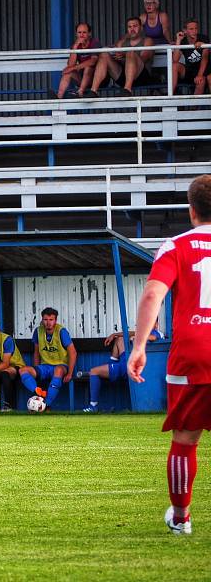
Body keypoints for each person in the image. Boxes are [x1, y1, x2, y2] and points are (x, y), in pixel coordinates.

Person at [128, 174, 211, 536]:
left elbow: (152, 296)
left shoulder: (176, 246)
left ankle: (181, 518)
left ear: (191, 210)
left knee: (185, 438)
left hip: (192, 352)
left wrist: (140, 345)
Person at [85, 323, 162, 413]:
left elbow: (153, 337)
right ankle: (111, 366)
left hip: (130, 367)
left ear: (156, 324)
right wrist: (114, 334)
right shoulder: (142, 332)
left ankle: (93, 406)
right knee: (119, 339)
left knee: (94, 371)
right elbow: (130, 333)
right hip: (125, 361)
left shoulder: (156, 333)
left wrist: (137, 338)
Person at [18, 307, 77, 410]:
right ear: (42, 320)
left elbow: (73, 353)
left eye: (51, 320)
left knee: (58, 370)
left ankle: (46, 404)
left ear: (55, 320)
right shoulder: (38, 331)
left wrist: (70, 373)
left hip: (61, 366)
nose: (48, 322)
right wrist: (36, 369)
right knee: (23, 370)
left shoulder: (61, 331)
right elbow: (36, 352)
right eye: (45, 319)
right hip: (45, 367)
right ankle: (37, 391)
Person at [85, 17, 153, 98]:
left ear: (141, 28)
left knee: (130, 52)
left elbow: (144, 58)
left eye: (135, 26)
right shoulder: (122, 42)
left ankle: (127, 90)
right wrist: (115, 57)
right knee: (104, 54)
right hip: (123, 77)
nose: (132, 29)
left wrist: (125, 55)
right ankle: (94, 91)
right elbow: (116, 55)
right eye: (129, 27)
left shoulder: (147, 40)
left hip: (141, 77)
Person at [54, 23, 101, 99]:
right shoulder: (76, 45)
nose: (81, 35)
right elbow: (70, 64)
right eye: (79, 32)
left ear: (89, 33)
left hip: (96, 79)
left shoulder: (94, 42)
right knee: (68, 71)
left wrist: (73, 68)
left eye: (84, 32)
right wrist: (75, 47)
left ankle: (80, 92)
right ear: (76, 34)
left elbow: (93, 61)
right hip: (82, 79)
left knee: (88, 67)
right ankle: (59, 97)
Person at [172, 20, 209, 96]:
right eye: (191, 29)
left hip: (203, 70)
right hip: (190, 71)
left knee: (200, 81)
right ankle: (169, 96)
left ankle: (193, 107)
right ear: (185, 30)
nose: (194, 31)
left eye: (196, 28)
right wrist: (178, 40)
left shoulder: (203, 38)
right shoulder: (183, 41)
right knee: (174, 66)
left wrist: (199, 75)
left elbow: (205, 59)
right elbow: (175, 59)